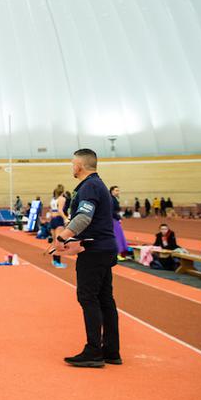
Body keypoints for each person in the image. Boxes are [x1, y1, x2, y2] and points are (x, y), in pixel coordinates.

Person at [51, 149, 120, 368]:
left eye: (73, 163)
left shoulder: (90, 186)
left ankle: (93, 351)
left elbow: (83, 217)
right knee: (105, 300)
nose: (72, 167)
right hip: (104, 248)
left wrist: (62, 237)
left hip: (95, 251)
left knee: (88, 297)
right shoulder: (98, 185)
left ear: (79, 165)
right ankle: (111, 350)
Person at [49, 185, 69, 268]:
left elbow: (51, 210)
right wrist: (66, 219)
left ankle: (54, 260)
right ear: (62, 191)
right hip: (58, 219)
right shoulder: (62, 199)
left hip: (53, 219)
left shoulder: (53, 200)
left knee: (54, 241)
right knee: (58, 242)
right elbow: (60, 210)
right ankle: (58, 262)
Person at [110, 186, 130, 258]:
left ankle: (117, 253)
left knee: (117, 235)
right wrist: (118, 218)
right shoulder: (111, 199)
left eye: (118, 190)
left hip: (114, 219)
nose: (118, 192)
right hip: (113, 219)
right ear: (112, 191)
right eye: (116, 190)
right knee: (117, 236)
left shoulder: (113, 199)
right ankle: (117, 253)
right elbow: (111, 211)